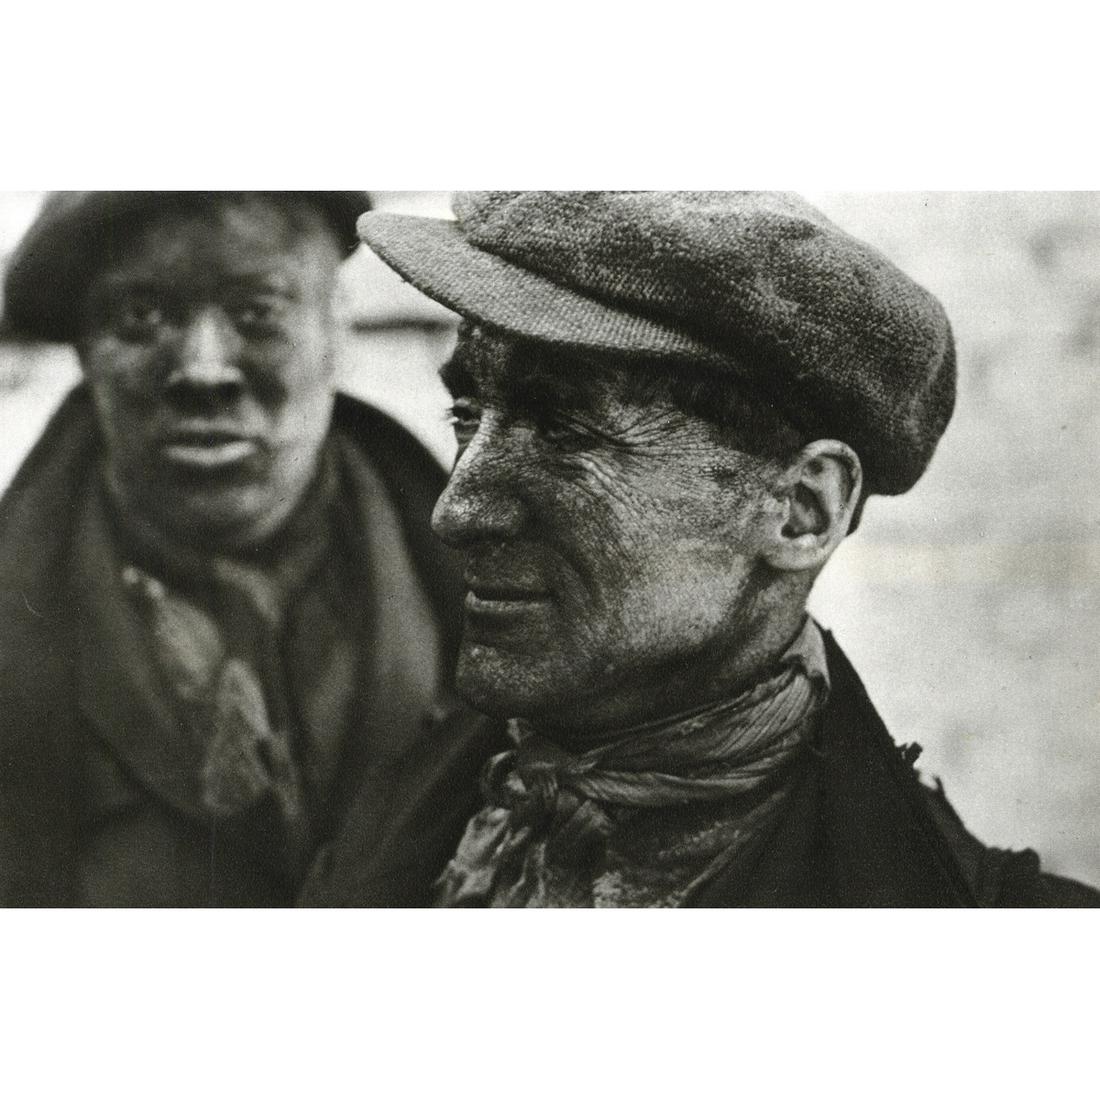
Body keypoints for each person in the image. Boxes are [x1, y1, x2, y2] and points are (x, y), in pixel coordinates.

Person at [355, 190, 1100, 907]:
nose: (456, 510)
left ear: (802, 511)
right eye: (466, 416)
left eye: (567, 433)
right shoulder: (399, 802)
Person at [0, 191, 499, 906]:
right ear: (85, 349)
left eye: (258, 311)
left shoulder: (489, 597)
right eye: (141, 317)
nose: (204, 371)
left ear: (337, 331)